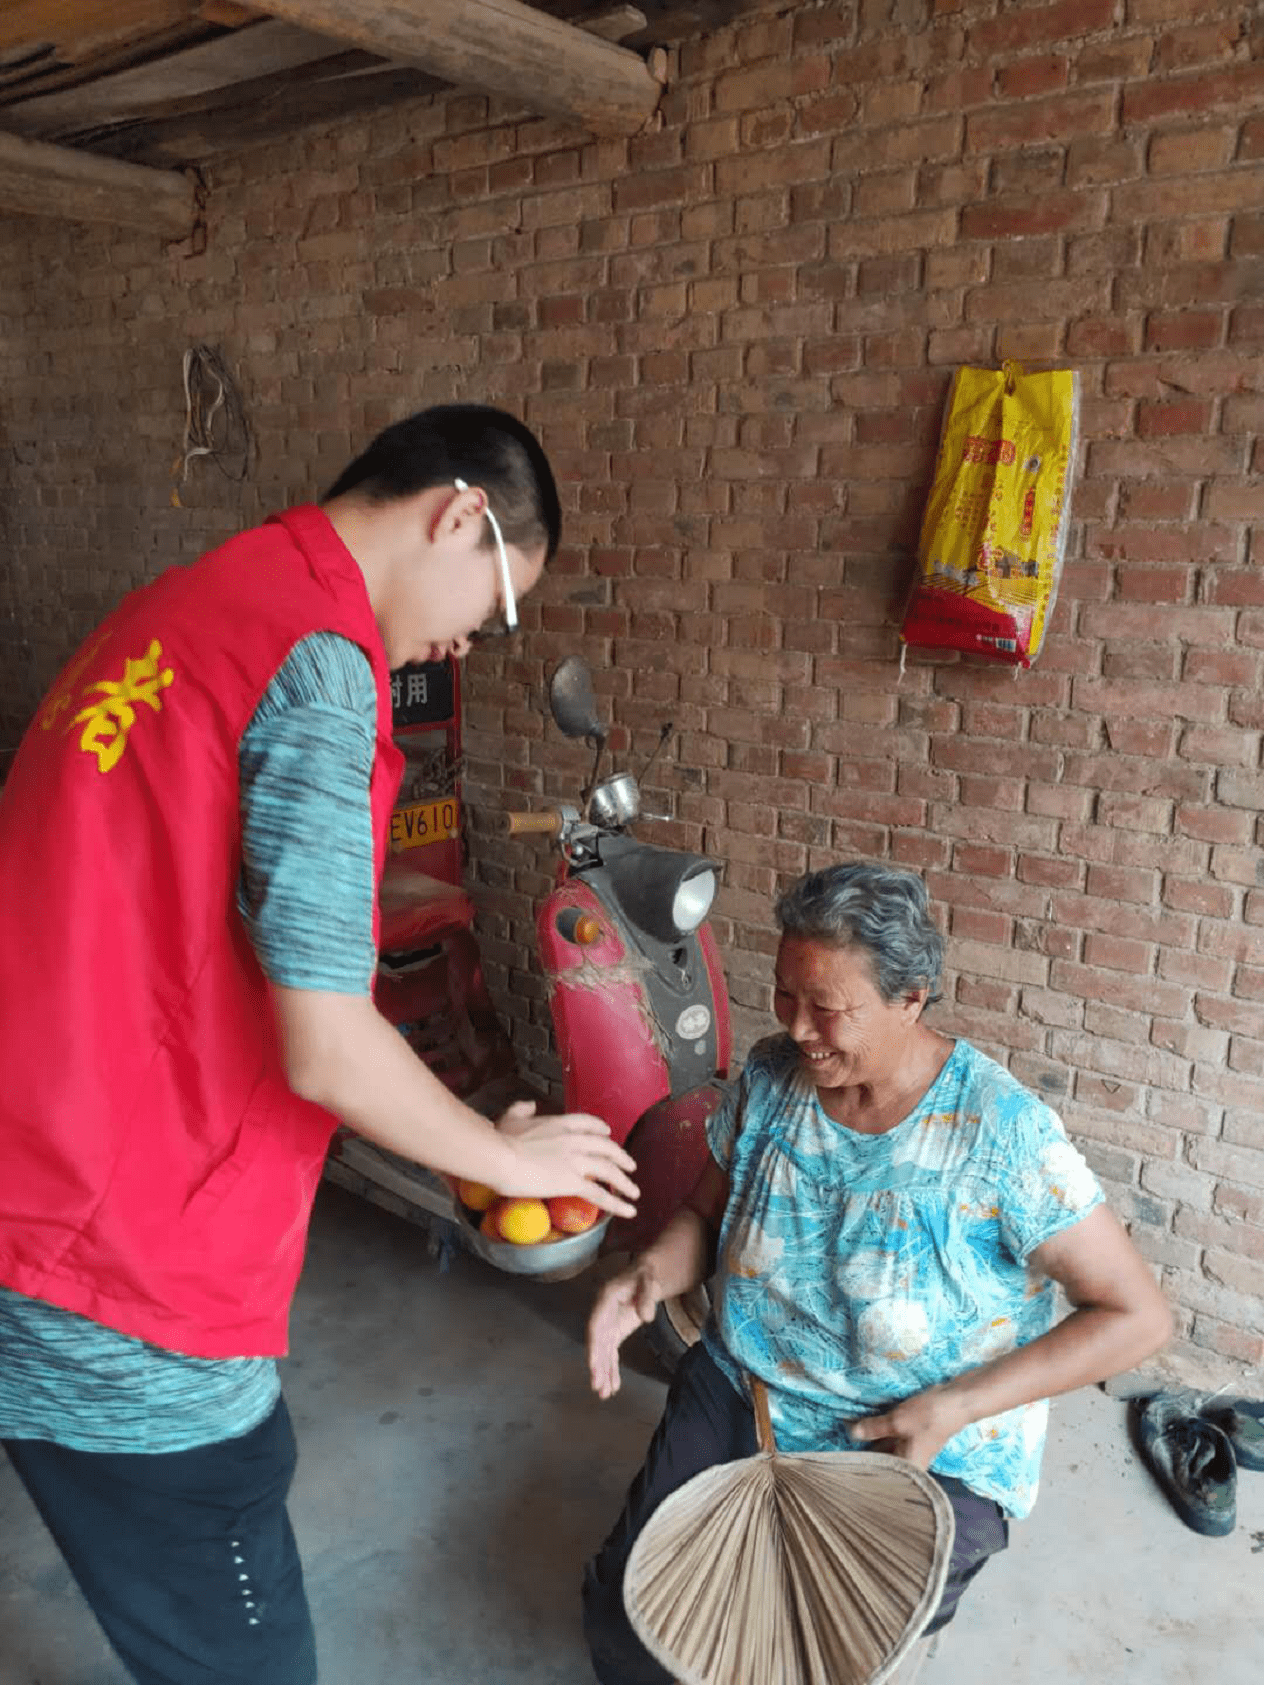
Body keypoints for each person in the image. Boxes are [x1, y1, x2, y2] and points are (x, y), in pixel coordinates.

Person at [0, 403, 638, 1685]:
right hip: (109, 1245)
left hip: (36, 1140)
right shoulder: (322, 663)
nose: (466, 640)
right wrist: (504, 1164)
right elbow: (327, 1043)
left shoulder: (190, 603)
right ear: (456, 514)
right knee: (236, 1630)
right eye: (496, 604)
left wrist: (459, 1132)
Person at [583, 861, 1172, 1684]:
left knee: (811, 1654)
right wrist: (648, 1274)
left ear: (911, 998)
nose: (797, 1027)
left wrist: (955, 1406)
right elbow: (703, 1216)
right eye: (786, 996)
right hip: (752, 1386)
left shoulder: (1000, 1135)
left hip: (917, 1440)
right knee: (635, 1623)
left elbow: (1138, 1316)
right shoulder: (770, 1078)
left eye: (827, 1007)